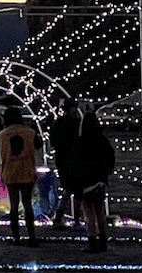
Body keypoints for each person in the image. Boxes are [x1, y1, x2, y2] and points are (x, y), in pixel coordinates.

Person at [0, 105, 40, 244]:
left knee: (13, 205)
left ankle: (16, 236)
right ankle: (32, 236)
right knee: (28, 204)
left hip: (11, 173)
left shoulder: (2, 135)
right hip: (27, 171)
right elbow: (38, 145)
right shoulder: (30, 133)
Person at [77, 103, 117, 254]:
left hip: (87, 181)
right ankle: (102, 240)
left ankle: (92, 240)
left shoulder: (81, 142)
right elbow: (110, 159)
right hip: (99, 180)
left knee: (89, 212)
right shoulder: (103, 140)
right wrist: (105, 174)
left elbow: (76, 163)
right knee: (100, 212)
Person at [48, 98, 82, 232]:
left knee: (68, 189)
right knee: (75, 190)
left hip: (63, 159)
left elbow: (53, 141)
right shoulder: (76, 123)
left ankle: (61, 217)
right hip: (73, 160)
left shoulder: (58, 123)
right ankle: (74, 219)